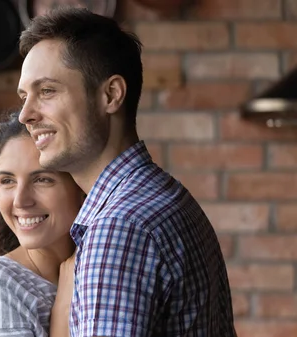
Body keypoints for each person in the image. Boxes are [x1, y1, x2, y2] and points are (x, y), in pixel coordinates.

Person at [16, 7, 237, 337]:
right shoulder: (166, 194)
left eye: (47, 91)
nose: (25, 115)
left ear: (111, 95)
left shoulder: (119, 227)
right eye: (24, 96)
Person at [0, 110, 83, 337]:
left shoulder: (99, 270)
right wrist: (63, 310)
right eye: (7, 181)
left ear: (80, 187)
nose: (20, 200)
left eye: (42, 179)